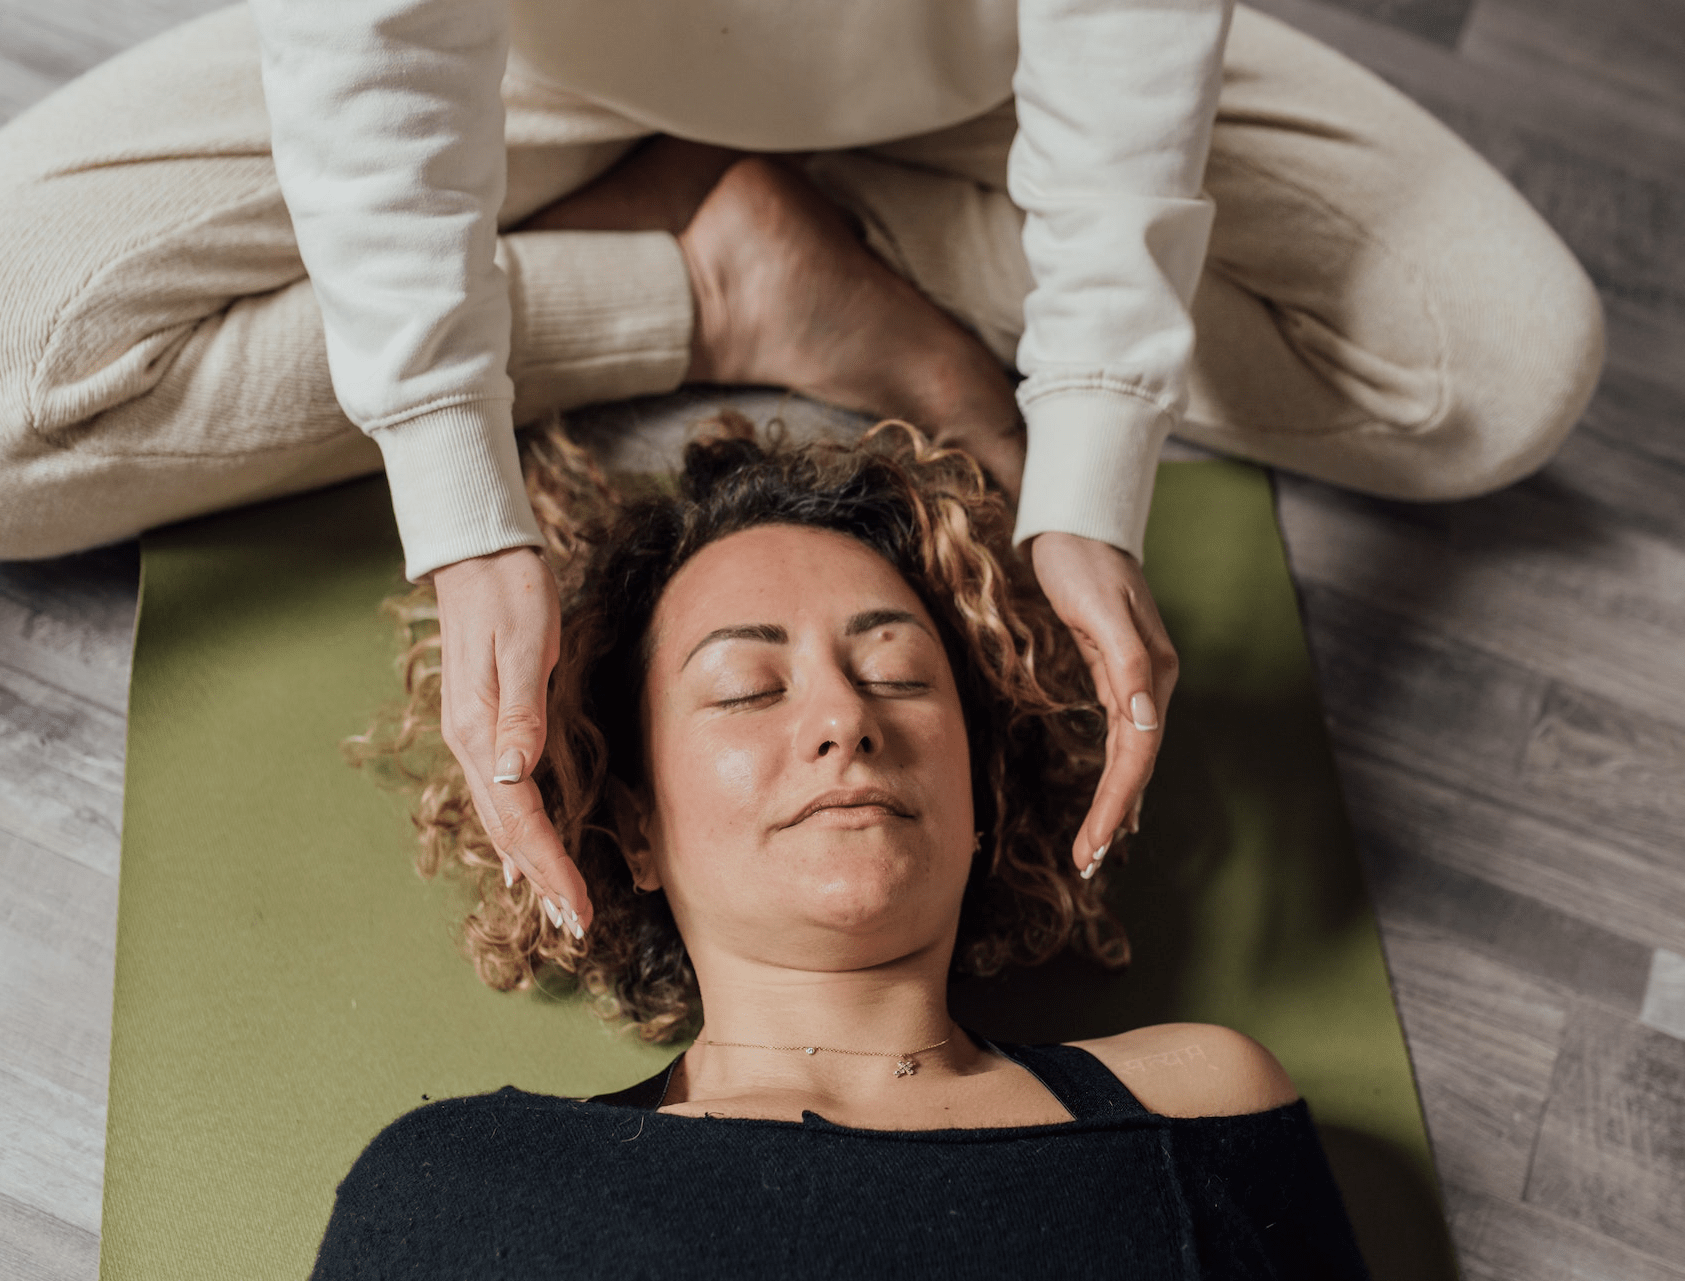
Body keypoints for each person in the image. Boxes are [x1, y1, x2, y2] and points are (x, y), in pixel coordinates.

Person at [0, 1, 1601, 936]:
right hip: (530, 64)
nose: (837, 731)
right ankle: (706, 269)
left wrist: (1090, 431)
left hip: (979, 67)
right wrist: (450, 478)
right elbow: (376, 53)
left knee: (1492, 375)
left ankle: (827, 227)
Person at [323, 419, 1369, 1278]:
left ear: (976, 800)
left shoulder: (1198, 1102)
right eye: (747, 689)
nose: (843, 719)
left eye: (898, 674)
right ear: (635, 827)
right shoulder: (466, 1188)